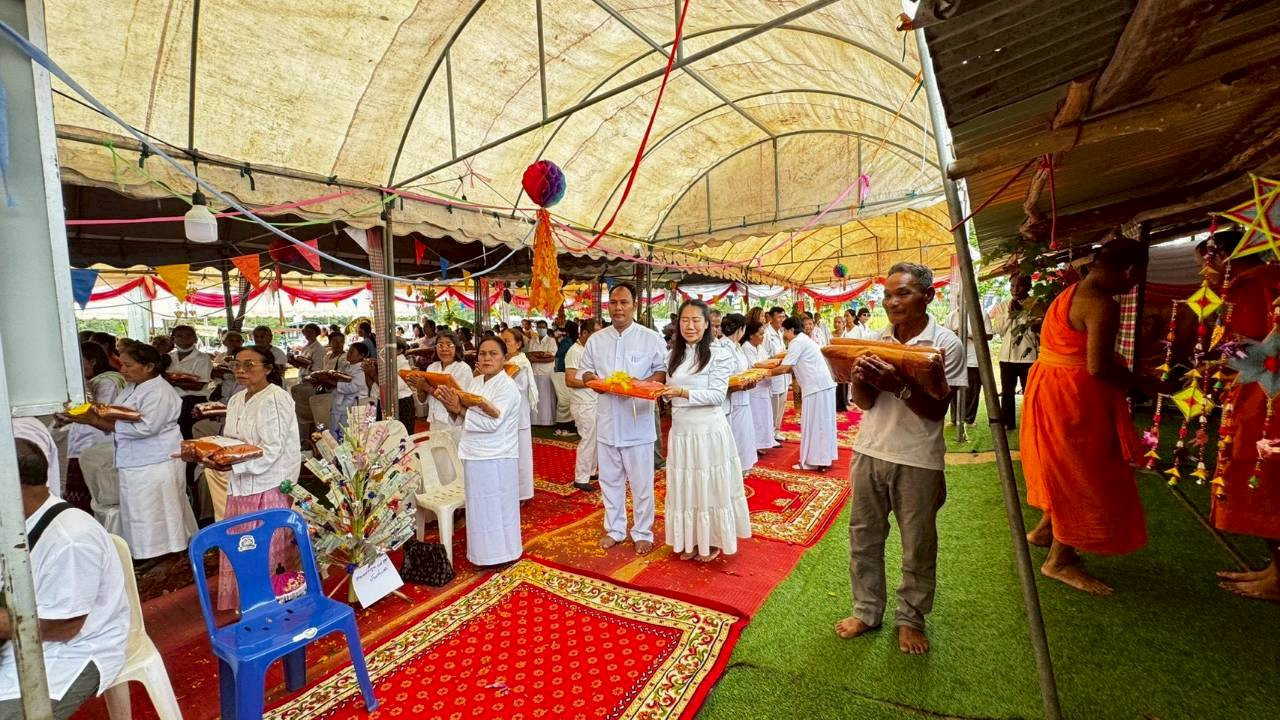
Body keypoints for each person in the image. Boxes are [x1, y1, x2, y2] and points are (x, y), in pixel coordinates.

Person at [838, 262, 965, 655]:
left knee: (917, 544)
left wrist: (900, 385)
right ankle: (867, 610)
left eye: (903, 293)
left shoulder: (945, 344)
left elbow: (936, 411)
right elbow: (864, 403)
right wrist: (860, 377)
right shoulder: (876, 339)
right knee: (863, 537)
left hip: (918, 459)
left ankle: (910, 618)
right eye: (888, 295)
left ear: (928, 296)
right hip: (869, 451)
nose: (892, 302)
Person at [1020, 238, 1154, 595]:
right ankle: (1059, 560)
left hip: (1050, 389)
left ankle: (1046, 530)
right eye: (1138, 277)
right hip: (1074, 399)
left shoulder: (1070, 293)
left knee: (1063, 465)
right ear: (1130, 270)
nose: (1135, 285)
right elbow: (1098, 366)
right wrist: (1146, 383)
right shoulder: (1102, 304)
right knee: (1084, 473)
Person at [0, 438, 130, 720]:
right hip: (21, 638)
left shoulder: (71, 539)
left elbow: (65, 627)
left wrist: (3, 623)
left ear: (10, 485)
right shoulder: (15, 519)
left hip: (73, 650)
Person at [1196, 231, 1280, 601]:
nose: (1206, 273)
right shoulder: (1271, 278)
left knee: (1260, 480)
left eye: (1206, 264)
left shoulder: (1248, 285)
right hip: (1265, 392)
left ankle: (1278, 578)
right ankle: (1275, 569)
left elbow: (1244, 348)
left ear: (1223, 257)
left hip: (1262, 399)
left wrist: (1215, 359)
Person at [65, 343, 197, 562]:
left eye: (128, 365)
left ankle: (165, 555)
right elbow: (120, 414)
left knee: (158, 512)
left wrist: (95, 421)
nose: (122, 370)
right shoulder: (133, 387)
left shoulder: (159, 391)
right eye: (122, 365)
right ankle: (145, 553)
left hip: (155, 460)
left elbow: (146, 428)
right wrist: (90, 413)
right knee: (139, 512)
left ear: (149, 367)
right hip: (136, 460)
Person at [197, 345, 302, 610]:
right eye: (237, 364)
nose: (241, 370)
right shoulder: (236, 399)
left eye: (249, 364)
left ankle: (273, 600)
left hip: (269, 482)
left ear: (268, 369)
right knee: (242, 543)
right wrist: (217, 455)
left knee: (267, 545)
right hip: (241, 483)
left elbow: (273, 449)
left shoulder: (275, 398)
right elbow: (232, 440)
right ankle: (246, 599)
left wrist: (236, 466)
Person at [579, 282, 667, 554]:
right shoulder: (596, 340)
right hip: (607, 422)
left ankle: (643, 532)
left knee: (642, 484)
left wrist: (635, 385)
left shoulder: (650, 338)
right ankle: (615, 529)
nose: (618, 308)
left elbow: (661, 373)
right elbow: (585, 372)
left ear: (634, 305)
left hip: (638, 424)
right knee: (609, 481)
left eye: (624, 302)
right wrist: (596, 382)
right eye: (613, 303)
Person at [660, 300, 751, 562]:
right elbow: (667, 390)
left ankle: (712, 541)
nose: (690, 326)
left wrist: (681, 392)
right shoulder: (672, 356)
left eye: (696, 320)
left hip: (708, 431)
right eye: (684, 320)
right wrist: (663, 394)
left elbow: (717, 395)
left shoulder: (719, 354)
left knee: (708, 486)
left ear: (707, 324)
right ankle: (689, 540)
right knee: (685, 486)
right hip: (681, 431)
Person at [436, 336, 523, 566]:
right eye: (482, 353)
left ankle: (504, 554)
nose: (487, 358)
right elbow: (461, 416)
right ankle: (481, 555)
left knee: (497, 507)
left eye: (493, 354)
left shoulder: (508, 387)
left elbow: (493, 423)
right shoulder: (476, 382)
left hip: (497, 456)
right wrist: (450, 405)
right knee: (478, 507)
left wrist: (459, 409)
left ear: (504, 358)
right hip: (474, 453)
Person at [61, 343, 126, 513]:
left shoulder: (107, 381)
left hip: (97, 439)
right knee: (79, 495)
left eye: (78, 362)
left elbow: (100, 408)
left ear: (93, 361)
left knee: (94, 494)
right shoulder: (95, 380)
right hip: (83, 439)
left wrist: (83, 388)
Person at [779, 316, 838, 471]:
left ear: (791, 330)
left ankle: (814, 461)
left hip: (816, 387)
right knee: (822, 423)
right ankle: (823, 458)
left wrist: (762, 372)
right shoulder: (803, 339)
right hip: (820, 385)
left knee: (815, 424)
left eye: (785, 331)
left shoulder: (797, 342)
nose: (784, 334)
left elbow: (785, 367)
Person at [988, 274, 1039, 429]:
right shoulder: (1003, 305)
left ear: (1028, 287)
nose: (1015, 289)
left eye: (1019, 286)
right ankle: (1007, 422)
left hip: (1028, 357)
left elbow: (1037, 330)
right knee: (1007, 392)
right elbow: (999, 330)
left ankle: (1031, 422)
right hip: (1006, 357)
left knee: (1029, 392)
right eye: (1012, 286)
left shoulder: (1036, 304)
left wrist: (1023, 314)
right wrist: (1010, 314)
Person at [406, 332, 472, 448]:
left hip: (453, 424)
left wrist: (427, 387)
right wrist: (419, 386)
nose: (444, 349)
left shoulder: (463, 369)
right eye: (440, 345)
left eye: (449, 345)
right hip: (434, 421)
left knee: (452, 455)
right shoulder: (432, 367)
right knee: (436, 455)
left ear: (456, 347)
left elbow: (453, 400)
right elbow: (423, 400)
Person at [500, 327, 537, 501]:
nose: (503, 344)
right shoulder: (506, 360)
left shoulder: (519, 362)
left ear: (518, 344)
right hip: (505, 413)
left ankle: (523, 493)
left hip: (517, 412)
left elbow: (509, 384)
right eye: (502, 341)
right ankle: (507, 488)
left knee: (520, 454)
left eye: (507, 341)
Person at [720, 313, 758, 473]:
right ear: (740, 329)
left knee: (744, 434)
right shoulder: (723, 347)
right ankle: (736, 468)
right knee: (737, 434)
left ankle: (743, 465)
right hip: (732, 397)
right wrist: (741, 383)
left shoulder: (736, 345)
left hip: (742, 394)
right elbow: (725, 376)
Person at [564, 319, 600, 492]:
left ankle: (591, 471)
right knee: (588, 439)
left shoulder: (590, 349)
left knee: (596, 438)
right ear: (585, 333)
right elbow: (570, 380)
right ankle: (581, 477)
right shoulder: (574, 351)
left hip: (593, 400)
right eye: (595, 333)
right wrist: (594, 383)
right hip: (583, 402)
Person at [945, 300, 990, 428]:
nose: (962, 301)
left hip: (974, 358)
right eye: (959, 297)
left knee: (972, 390)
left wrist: (968, 335)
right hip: (955, 358)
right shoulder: (952, 316)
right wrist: (953, 334)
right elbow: (945, 335)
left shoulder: (982, 314)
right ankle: (954, 418)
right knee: (953, 388)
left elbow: (989, 335)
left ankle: (969, 419)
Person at [741, 320, 779, 453]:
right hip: (755, 388)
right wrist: (772, 364)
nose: (763, 337)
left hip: (764, 387)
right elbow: (755, 365)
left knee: (764, 416)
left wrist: (772, 363)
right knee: (756, 417)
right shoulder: (746, 347)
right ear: (751, 335)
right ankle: (756, 444)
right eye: (760, 334)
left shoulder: (760, 347)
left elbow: (766, 360)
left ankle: (765, 441)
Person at [289, 323, 329, 435]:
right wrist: (294, 361)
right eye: (306, 331)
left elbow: (318, 369)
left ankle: (313, 436)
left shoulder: (319, 349)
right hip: (302, 380)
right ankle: (306, 437)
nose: (308, 334)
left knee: (311, 414)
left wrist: (305, 365)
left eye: (311, 332)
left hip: (311, 384)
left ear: (316, 333)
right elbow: (302, 366)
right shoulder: (306, 347)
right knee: (302, 414)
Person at [329, 341, 371, 437]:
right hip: (341, 403)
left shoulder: (360, 369)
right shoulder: (346, 366)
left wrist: (335, 384)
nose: (349, 354)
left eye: (352, 352)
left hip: (354, 404)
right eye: (349, 351)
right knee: (336, 430)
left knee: (348, 433)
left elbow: (354, 387)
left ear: (361, 355)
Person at [763, 306, 790, 439]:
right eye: (779, 317)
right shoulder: (766, 334)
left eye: (783, 317)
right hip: (773, 374)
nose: (781, 319)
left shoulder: (780, 332)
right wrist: (778, 358)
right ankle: (770, 433)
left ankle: (777, 431)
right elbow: (764, 356)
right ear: (771, 317)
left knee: (782, 403)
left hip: (783, 374)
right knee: (773, 405)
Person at [526, 320, 558, 427]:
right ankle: (535, 421)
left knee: (546, 397)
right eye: (539, 327)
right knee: (535, 395)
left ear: (547, 328)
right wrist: (542, 355)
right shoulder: (532, 340)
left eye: (543, 327)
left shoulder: (551, 341)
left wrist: (536, 358)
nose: (541, 329)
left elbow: (551, 358)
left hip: (547, 373)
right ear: (536, 328)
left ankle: (547, 421)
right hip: (534, 372)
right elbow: (529, 355)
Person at [551, 320, 579, 437]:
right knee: (565, 400)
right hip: (563, 372)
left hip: (566, 371)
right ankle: (563, 425)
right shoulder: (570, 341)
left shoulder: (570, 341)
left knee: (566, 399)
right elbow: (559, 354)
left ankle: (566, 425)